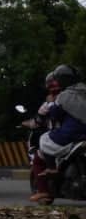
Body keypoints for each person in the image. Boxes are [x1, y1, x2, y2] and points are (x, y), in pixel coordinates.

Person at [32, 65, 86, 204]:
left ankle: (50, 171)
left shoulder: (61, 97)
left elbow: (52, 115)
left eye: (55, 84)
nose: (53, 88)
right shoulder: (83, 90)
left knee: (44, 140)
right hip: (77, 136)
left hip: (70, 135)